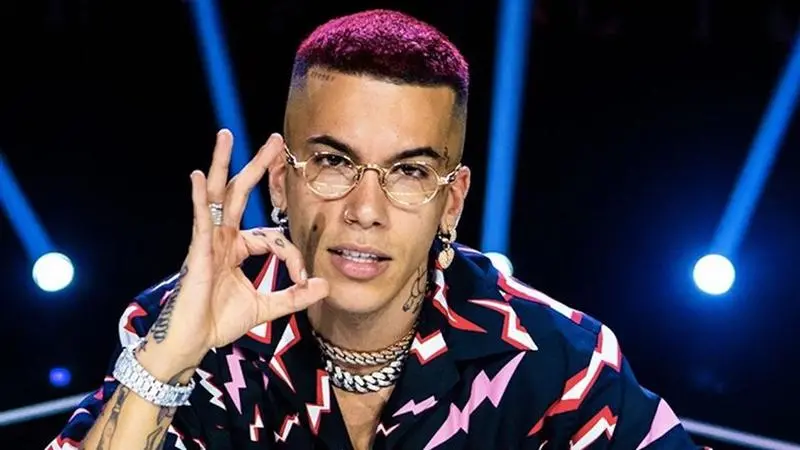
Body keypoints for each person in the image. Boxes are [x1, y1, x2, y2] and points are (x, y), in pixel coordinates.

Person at [47, 9, 704, 450]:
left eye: (410, 171)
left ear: (452, 203)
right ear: (280, 183)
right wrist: (170, 358)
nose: (367, 209)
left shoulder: (558, 362)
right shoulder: (181, 327)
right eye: (334, 162)